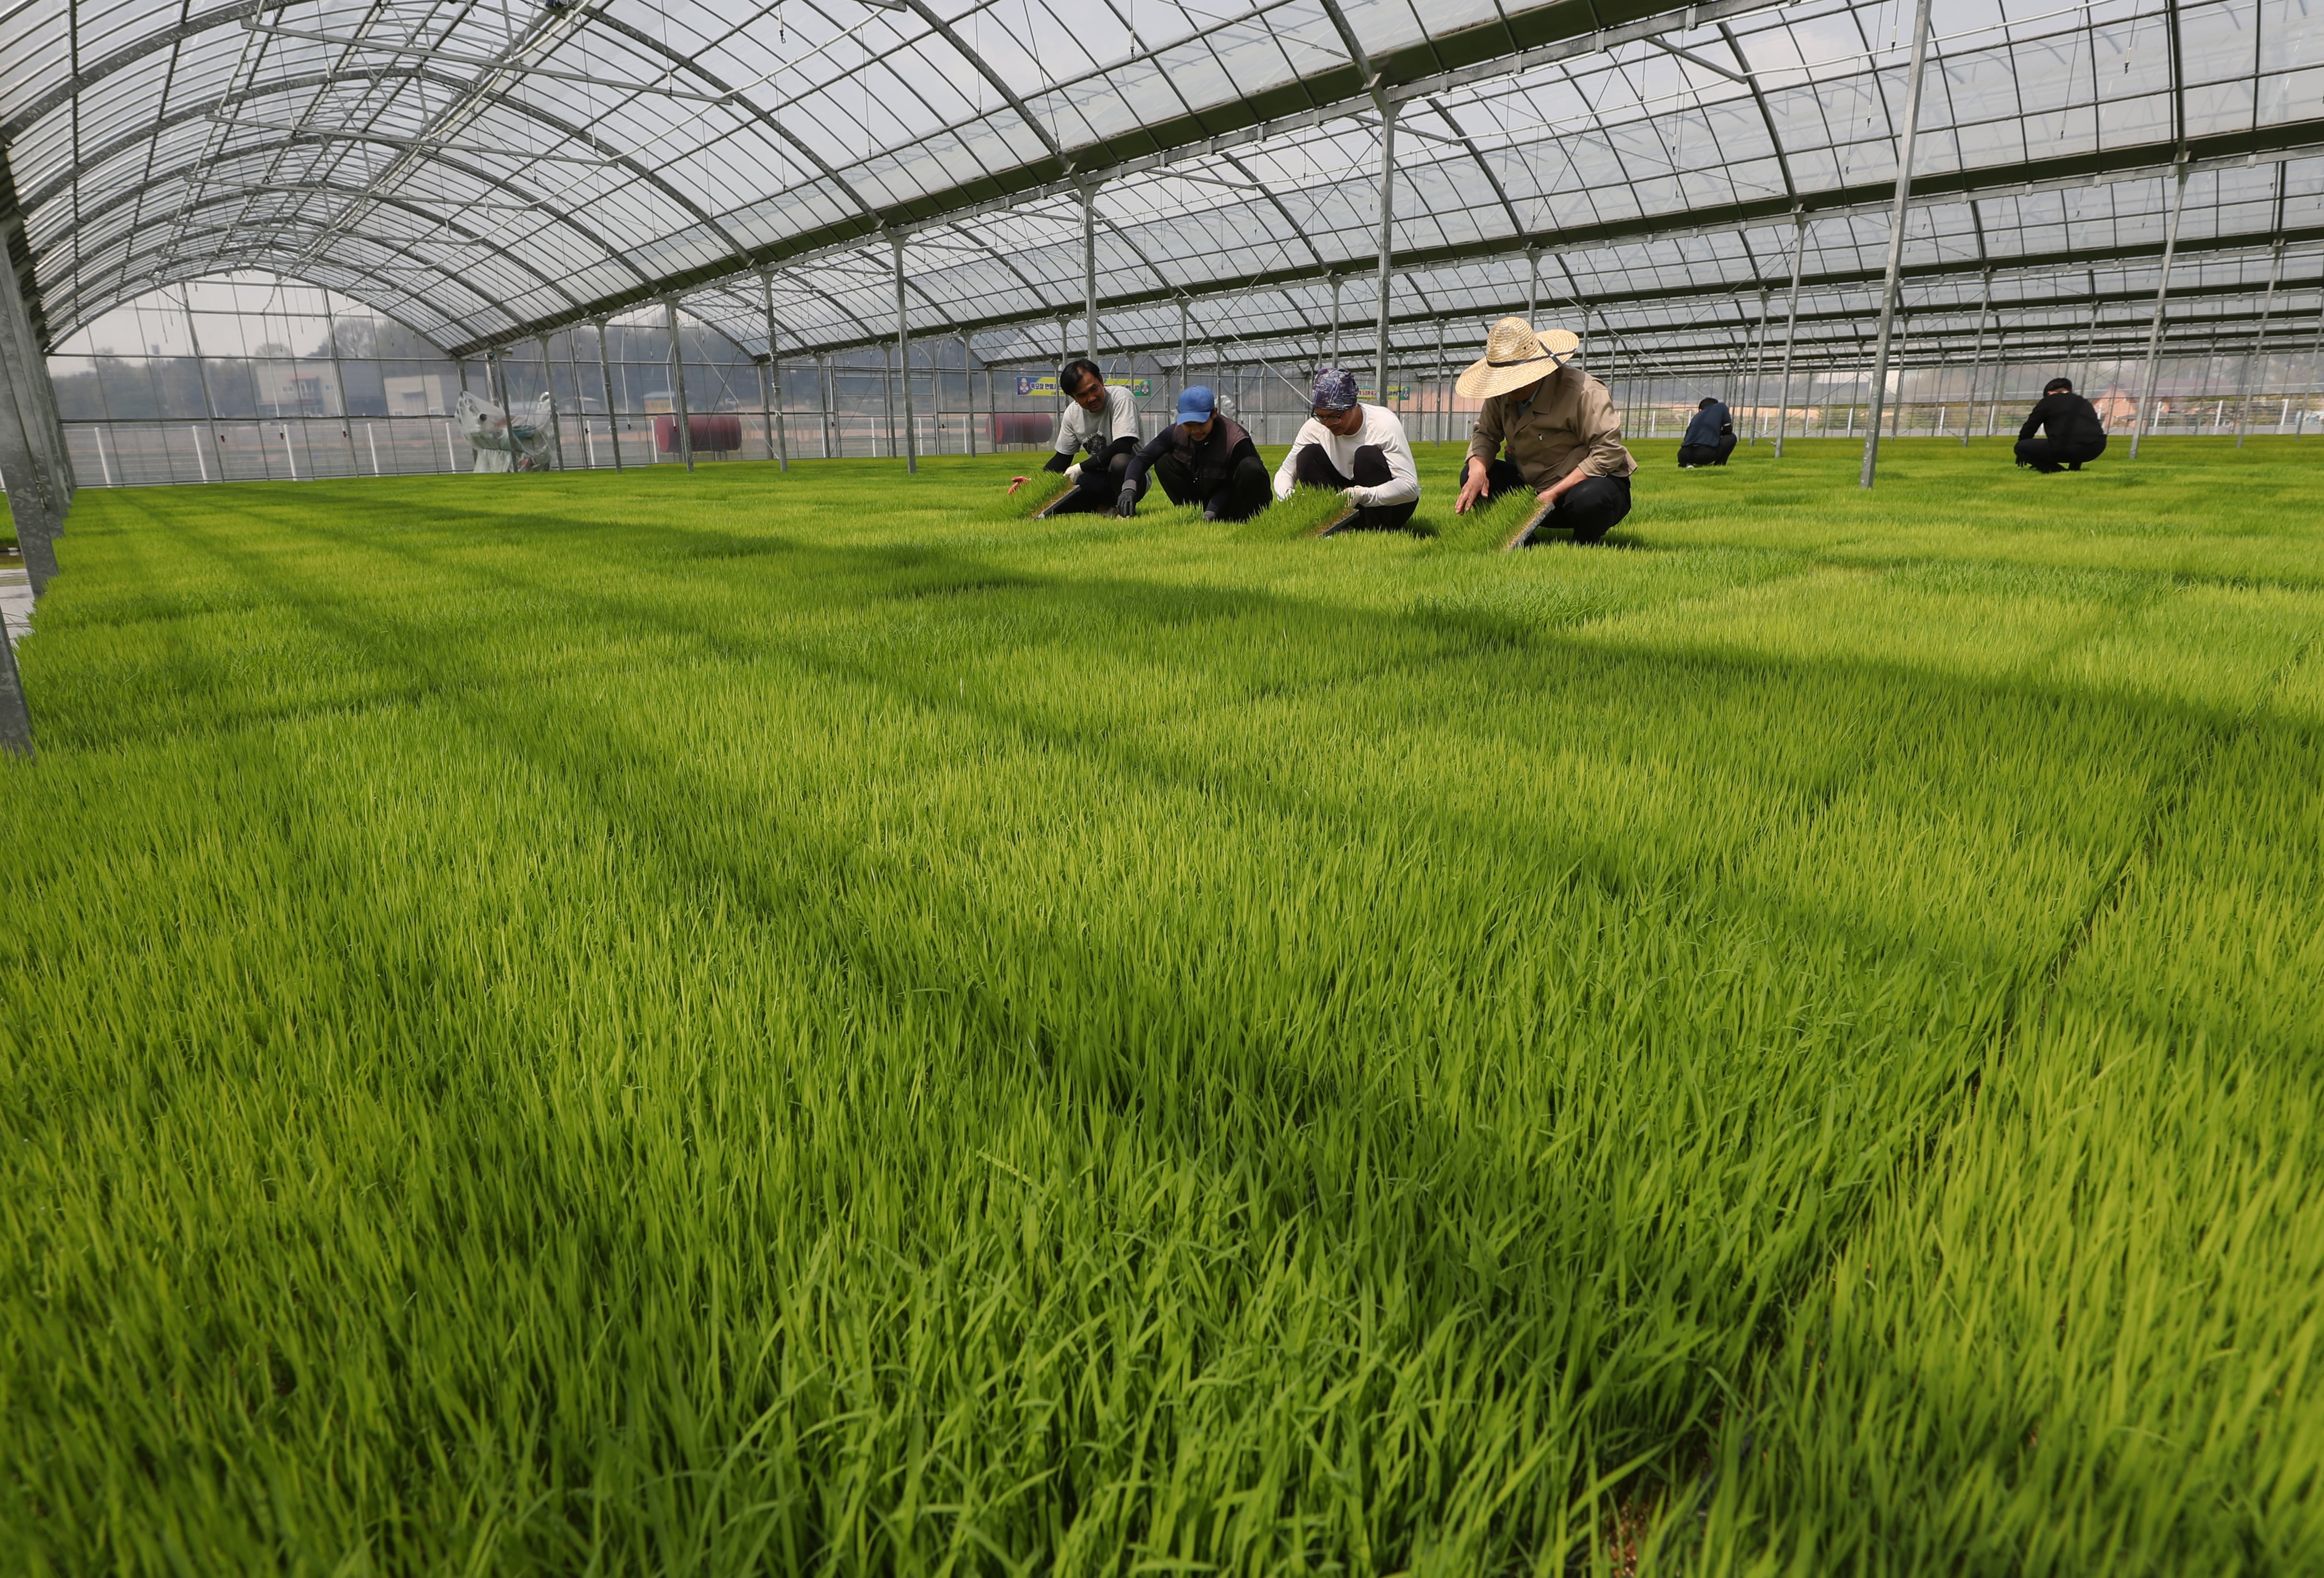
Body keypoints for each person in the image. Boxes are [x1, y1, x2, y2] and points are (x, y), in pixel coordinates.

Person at [1452, 316, 1635, 544]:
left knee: (1591, 499)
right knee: (1474, 476)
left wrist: (1553, 493)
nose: (1509, 387)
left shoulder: (1584, 392)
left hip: (1584, 487)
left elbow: (1608, 452)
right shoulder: (1501, 395)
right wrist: (1477, 470)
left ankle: (1584, 546)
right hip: (1534, 487)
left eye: (1515, 379)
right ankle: (1526, 545)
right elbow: (1486, 435)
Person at [1271, 368, 1421, 530]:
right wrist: (1289, 497)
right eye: (1322, 416)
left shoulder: (1383, 423)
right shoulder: (1315, 428)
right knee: (1307, 455)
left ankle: (1379, 531)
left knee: (1366, 455)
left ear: (1352, 405)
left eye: (1335, 416)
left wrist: (1362, 495)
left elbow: (1410, 488)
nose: (1328, 423)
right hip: (1346, 498)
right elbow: (1285, 472)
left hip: (1392, 506)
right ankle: (1335, 526)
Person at [1117, 385, 1270, 520]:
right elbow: (1142, 459)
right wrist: (1129, 488)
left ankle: (1250, 519)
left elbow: (1229, 485)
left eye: (1201, 423)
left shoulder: (1236, 440)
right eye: (1189, 425)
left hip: (1236, 500)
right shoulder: (1175, 433)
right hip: (1204, 493)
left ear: (1214, 414)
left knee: (1251, 468)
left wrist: (1211, 512)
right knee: (1163, 461)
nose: (1195, 430)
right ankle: (1193, 513)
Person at [1040, 358, 1144, 513]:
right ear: (1074, 397)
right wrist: (1037, 482)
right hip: (1098, 477)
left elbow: (1124, 444)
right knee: (1057, 501)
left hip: (1131, 476)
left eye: (1094, 389)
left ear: (1101, 381)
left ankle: (1124, 510)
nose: (1091, 398)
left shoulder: (1121, 398)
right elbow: (1062, 458)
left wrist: (1080, 468)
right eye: (1082, 395)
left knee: (1120, 461)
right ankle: (1104, 509)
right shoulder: (1072, 414)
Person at [2015, 378, 2108, 473]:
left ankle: (2056, 470)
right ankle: (2074, 469)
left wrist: (2022, 450)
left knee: (2020, 447)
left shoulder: (2049, 401)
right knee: (2077, 437)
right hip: (2096, 448)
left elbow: (2030, 427)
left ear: (2049, 393)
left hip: (2065, 449)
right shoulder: (2083, 402)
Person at [1677, 397, 1737, 468]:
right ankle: (1720, 464)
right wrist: (1716, 434)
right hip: (1705, 455)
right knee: (1731, 438)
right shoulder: (1721, 407)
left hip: (1683, 454)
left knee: (1691, 449)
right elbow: (1728, 430)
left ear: (1700, 410)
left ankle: (1687, 463)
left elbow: (1687, 437)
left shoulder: (1697, 417)